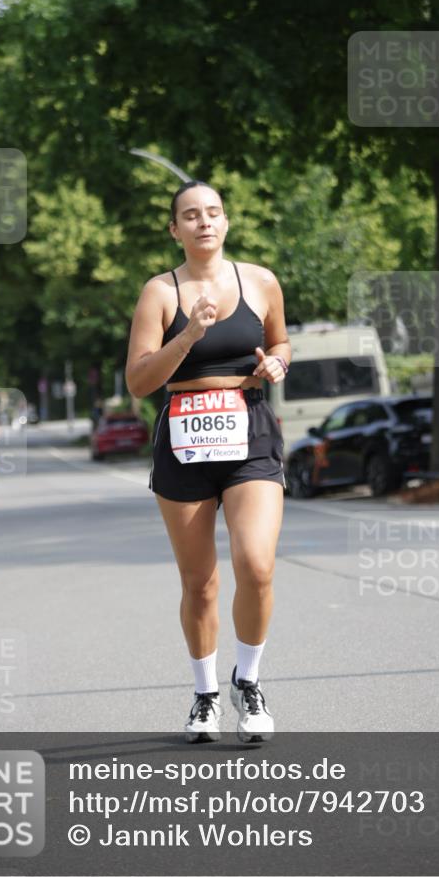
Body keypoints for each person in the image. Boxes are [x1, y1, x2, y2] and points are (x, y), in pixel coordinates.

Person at [126, 181, 291, 743]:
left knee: (257, 565)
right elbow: (140, 379)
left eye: (214, 213)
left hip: (249, 430)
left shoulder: (261, 281)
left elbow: (281, 342)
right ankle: (205, 694)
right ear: (175, 229)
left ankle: (249, 681)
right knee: (200, 584)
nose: (204, 222)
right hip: (184, 439)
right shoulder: (160, 293)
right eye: (191, 216)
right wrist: (189, 335)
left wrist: (278, 365)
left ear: (226, 222)